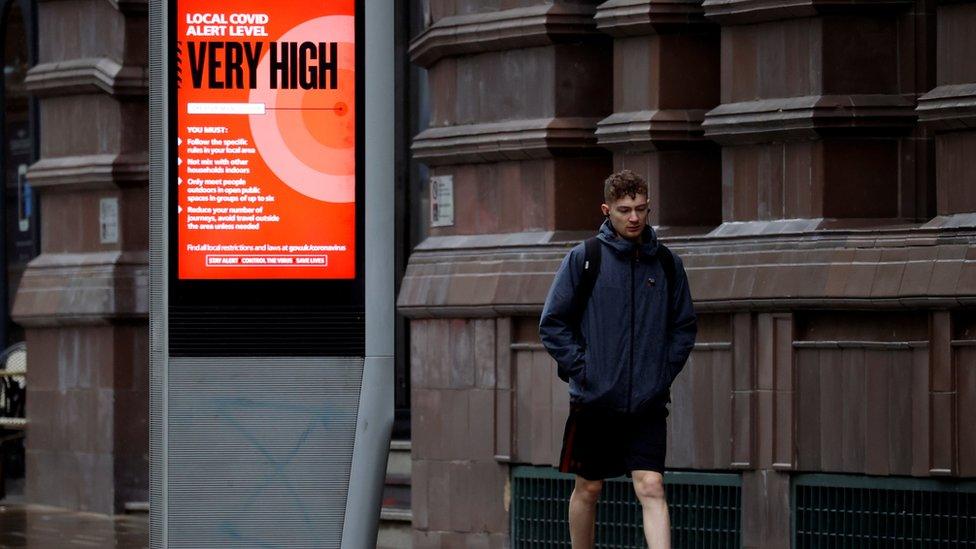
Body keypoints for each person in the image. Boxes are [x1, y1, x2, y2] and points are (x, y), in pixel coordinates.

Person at [538, 169, 697, 549]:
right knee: (589, 488)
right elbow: (553, 323)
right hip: (595, 399)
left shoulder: (668, 265)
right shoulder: (586, 258)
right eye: (625, 209)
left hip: (647, 400)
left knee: (652, 485)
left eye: (641, 209)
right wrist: (586, 370)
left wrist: (660, 375)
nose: (634, 218)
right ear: (607, 209)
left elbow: (683, 328)